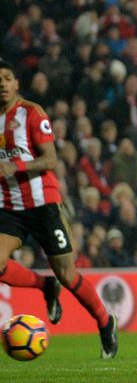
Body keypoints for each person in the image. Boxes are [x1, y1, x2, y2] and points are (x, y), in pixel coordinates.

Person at [0, 60, 118, 358]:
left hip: (43, 204)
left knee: (67, 273)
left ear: (16, 84)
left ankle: (105, 322)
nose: (2, 83)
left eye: (7, 78)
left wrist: (16, 166)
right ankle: (44, 285)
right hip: (9, 206)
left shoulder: (32, 112)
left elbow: (51, 160)